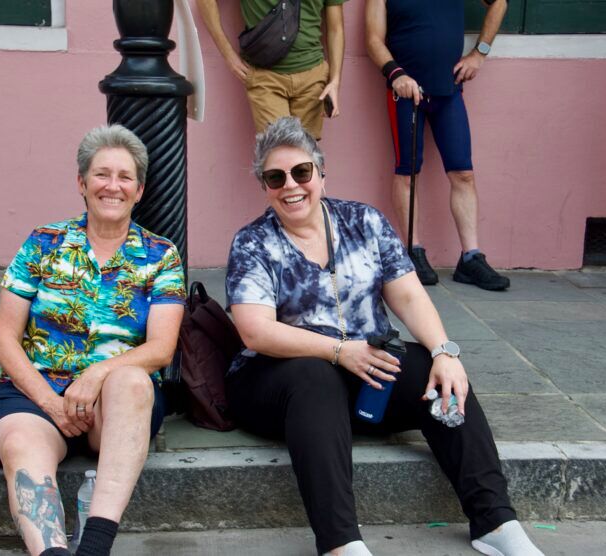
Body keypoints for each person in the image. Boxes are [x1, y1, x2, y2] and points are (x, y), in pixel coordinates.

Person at [225, 117, 543, 555]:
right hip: (278, 382)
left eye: (301, 172)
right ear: (264, 185)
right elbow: (255, 332)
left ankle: (495, 522)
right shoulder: (253, 243)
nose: (290, 186)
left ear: (321, 172)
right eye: (275, 177)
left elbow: (409, 297)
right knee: (313, 379)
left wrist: (444, 352)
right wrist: (338, 351)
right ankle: (341, 544)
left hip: (361, 371)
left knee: (433, 372)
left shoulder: (364, 222)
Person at [0, 124, 186, 556]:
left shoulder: (160, 254)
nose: (113, 186)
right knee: (19, 443)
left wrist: (95, 375)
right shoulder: (44, 242)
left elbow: (161, 349)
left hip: (114, 404)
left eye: (125, 177)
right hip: (34, 392)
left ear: (140, 190)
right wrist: (52, 403)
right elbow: (3, 338)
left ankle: (94, 546)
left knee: (131, 381)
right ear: (82, 183)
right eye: (102, 174)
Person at [365, 0, 511, 290]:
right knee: (408, 173)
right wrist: (396, 74)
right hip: (406, 93)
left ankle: (470, 258)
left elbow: (499, 3)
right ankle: (413, 251)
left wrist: (479, 52)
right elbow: (372, 39)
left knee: (463, 173)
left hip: (449, 91)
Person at [197, 0, 346, 140]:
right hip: (266, 78)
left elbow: (336, 28)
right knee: (277, 154)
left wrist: (335, 81)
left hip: (313, 76)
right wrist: (228, 55)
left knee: (307, 158)